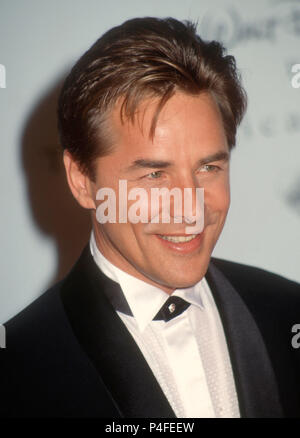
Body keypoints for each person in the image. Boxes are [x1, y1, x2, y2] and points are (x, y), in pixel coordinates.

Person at [1, 16, 300, 419]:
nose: (190, 207)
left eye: (209, 168)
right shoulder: (19, 371)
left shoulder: (288, 311)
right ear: (82, 181)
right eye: (155, 174)